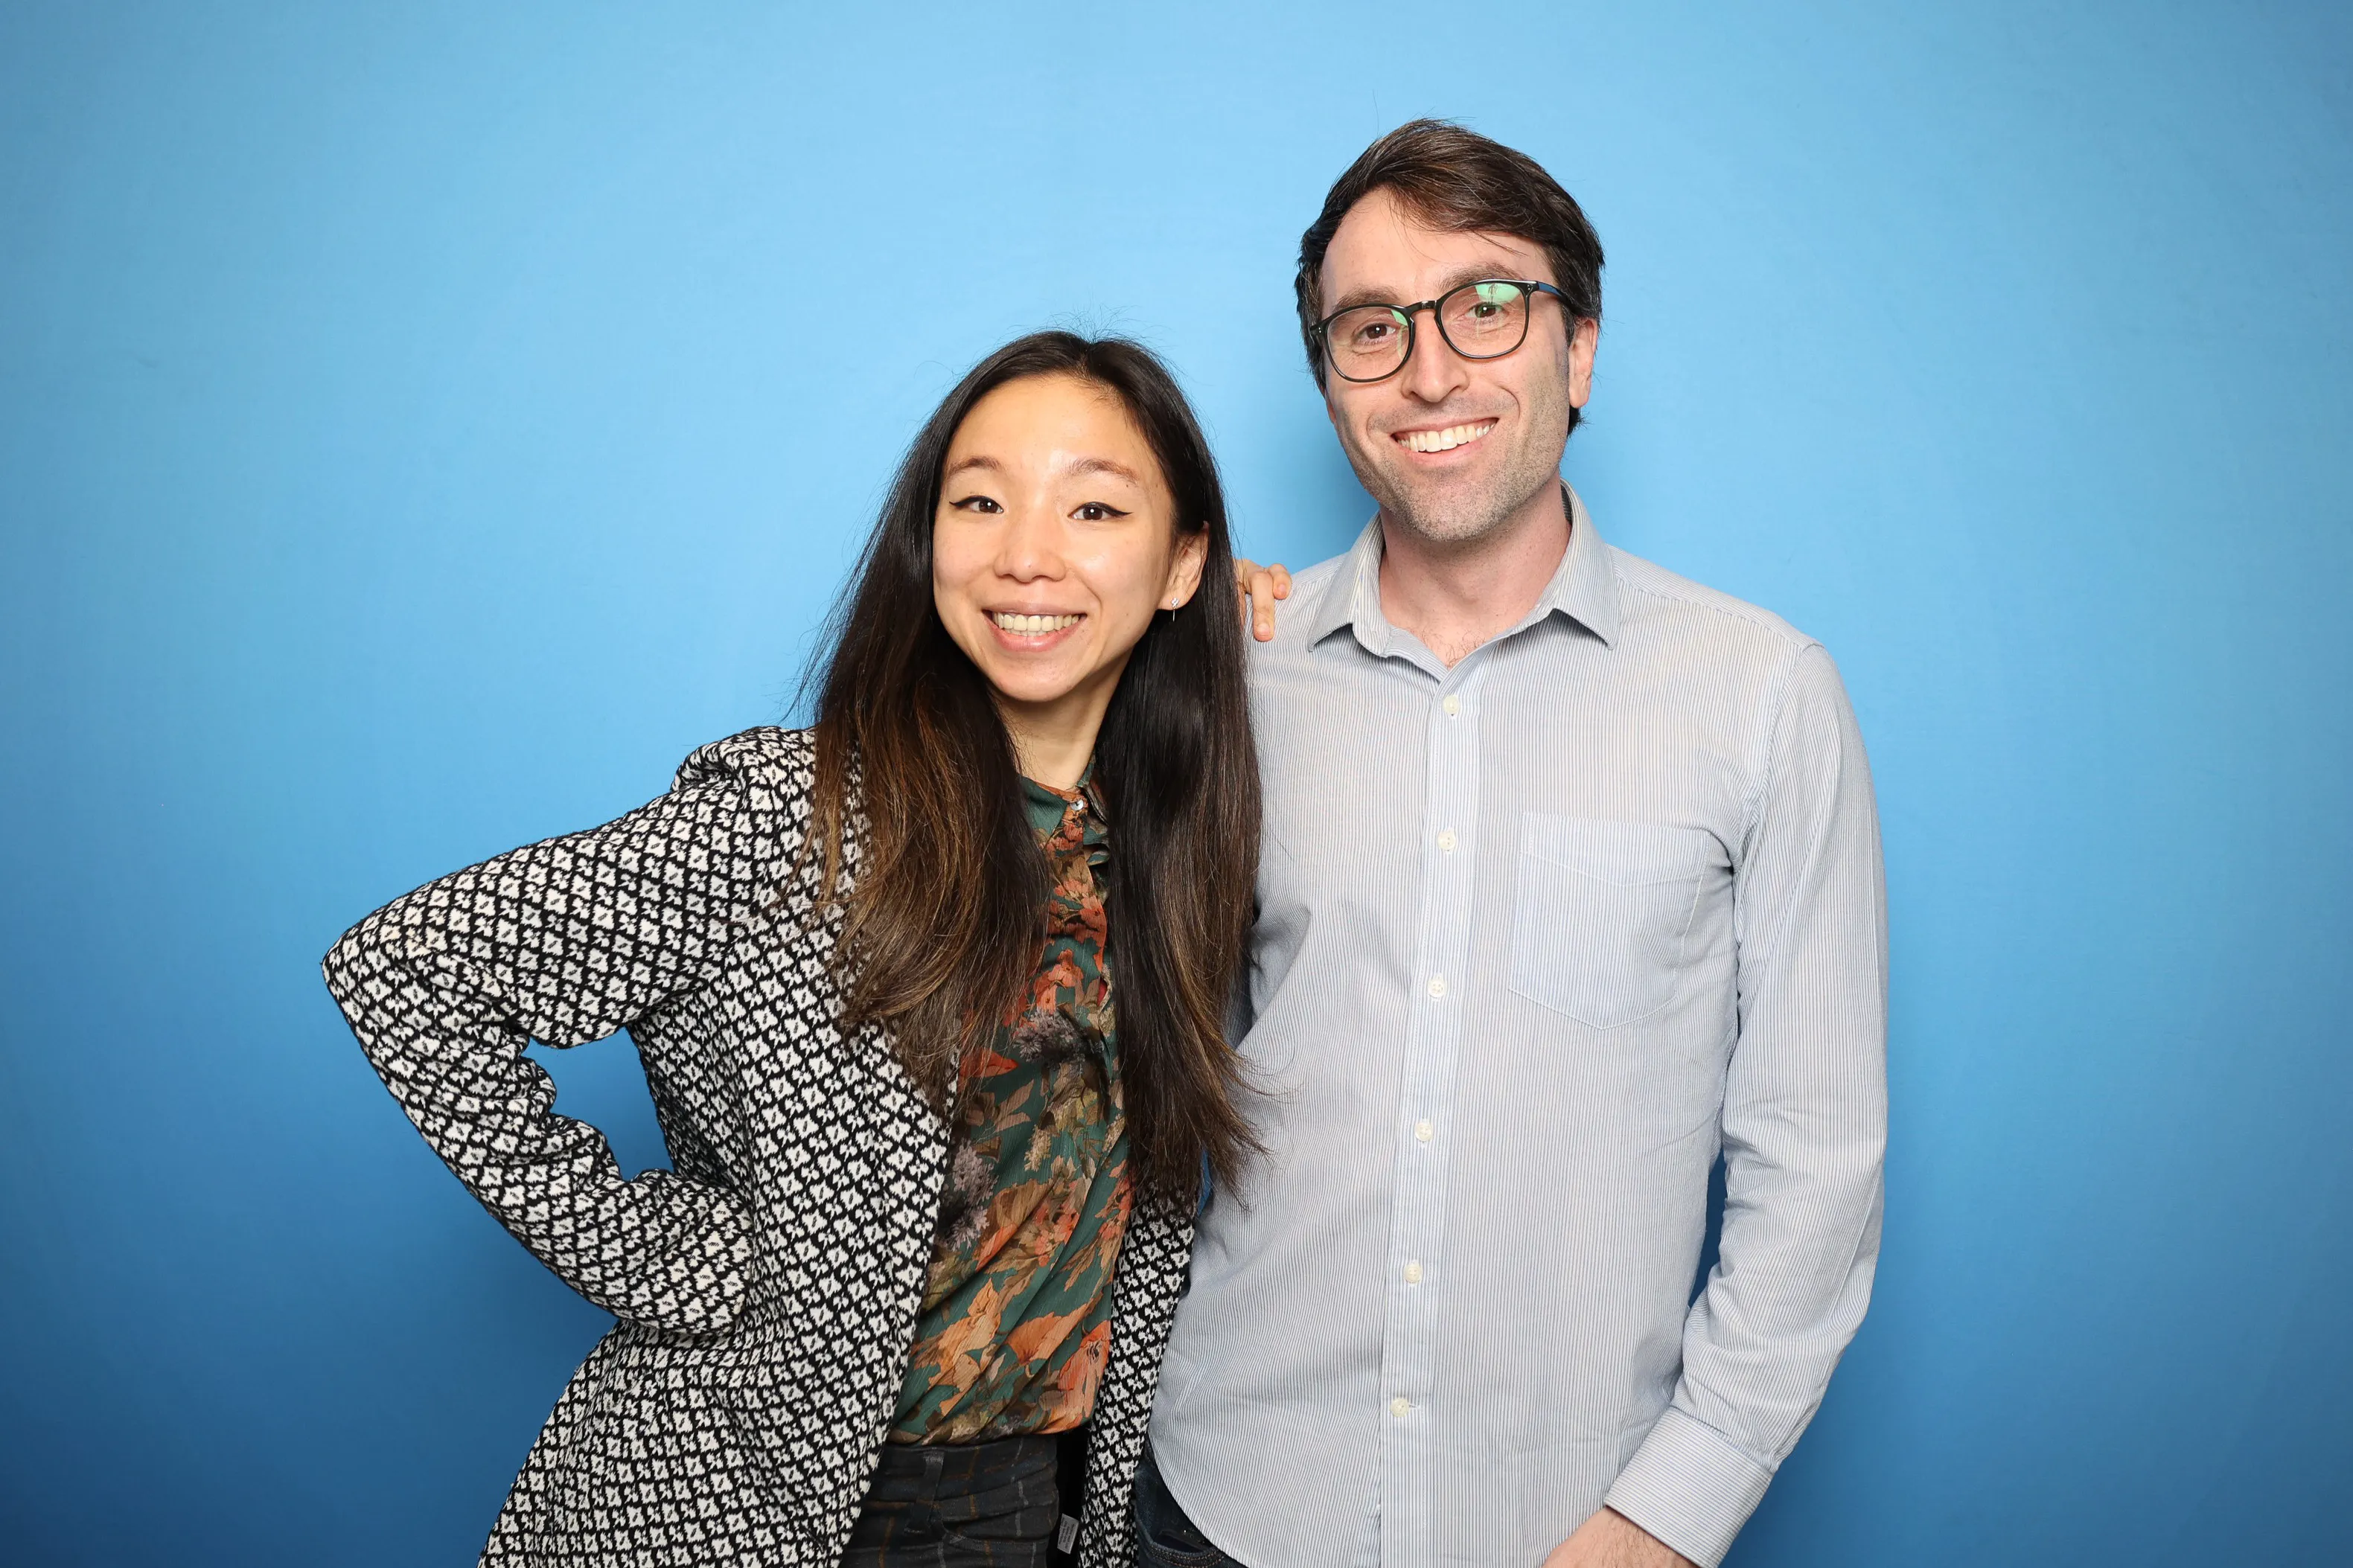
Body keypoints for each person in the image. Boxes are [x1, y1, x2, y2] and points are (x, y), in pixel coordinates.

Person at [323, 331, 1270, 1568]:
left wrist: (1287, 629)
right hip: (727, 1493)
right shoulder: (788, 816)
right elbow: (407, 969)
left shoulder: (1171, 853)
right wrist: (695, 1261)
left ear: (1183, 559)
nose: (1027, 551)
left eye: (1095, 506)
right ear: (928, 541)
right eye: (979, 499)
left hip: (1019, 1505)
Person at [1143, 121, 1889, 1568]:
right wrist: (1153, 611)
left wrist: (1665, 1521)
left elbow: (1812, 1161)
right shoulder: (1229, 673)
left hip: (1566, 1530)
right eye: (1372, 328)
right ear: (1329, 385)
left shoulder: (1757, 693)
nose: (1429, 369)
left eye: (1485, 305)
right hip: (1220, 1510)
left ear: (1578, 348)